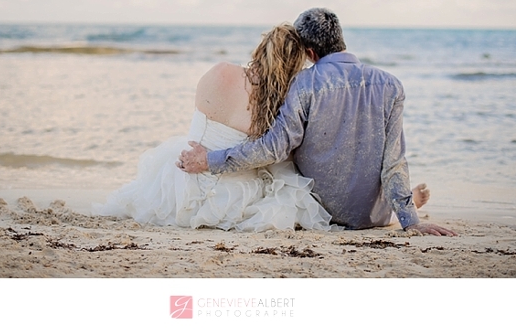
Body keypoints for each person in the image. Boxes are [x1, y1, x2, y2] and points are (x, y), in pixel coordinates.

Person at [179, 8, 456, 237]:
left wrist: (210, 160)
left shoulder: (304, 84)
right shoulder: (391, 85)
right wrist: (412, 222)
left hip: (321, 213)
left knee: (284, 164)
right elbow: (394, 161)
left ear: (309, 53)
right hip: (374, 215)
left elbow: (273, 149)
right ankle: (403, 206)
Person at [93, 24, 337, 231]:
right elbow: (280, 151)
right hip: (238, 195)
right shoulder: (283, 102)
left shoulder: (221, 71)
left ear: (262, 48)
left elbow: (200, 111)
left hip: (182, 182)